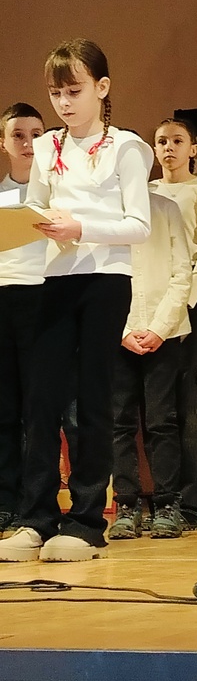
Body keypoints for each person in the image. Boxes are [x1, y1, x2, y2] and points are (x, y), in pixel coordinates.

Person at [0, 39, 153, 562]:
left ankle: (86, 519)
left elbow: (139, 225)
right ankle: (35, 517)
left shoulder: (126, 147)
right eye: (56, 93)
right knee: (41, 399)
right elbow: (38, 206)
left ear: (102, 88)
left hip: (105, 278)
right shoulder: (47, 147)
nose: (64, 103)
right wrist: (34, 222)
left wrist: (80, 226)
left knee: (92, 398)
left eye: (74, 91)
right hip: (55, 276)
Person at [150, 119, 197, 531]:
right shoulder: (146, 193)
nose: (169, 148)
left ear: (193, 148)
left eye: (177, 141)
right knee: (159, 405)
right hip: (155, 302)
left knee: (196, 401)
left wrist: (186, 300)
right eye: (162, 141)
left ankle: (192, 503)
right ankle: (163, 500)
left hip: (194, 301)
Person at [109, 190, 193, 540]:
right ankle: (126, 503)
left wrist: (159, 328)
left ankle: (167, 504)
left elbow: (182, 273)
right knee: (120, 421)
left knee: (162, 421)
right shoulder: (106, 211)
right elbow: (102, 277)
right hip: (119, 331)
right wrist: (123, 330)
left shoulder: (166, 208)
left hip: (164, 332)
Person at [0, 103, 46, 533]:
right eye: (18, 134)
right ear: (4, 142)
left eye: (36, 134)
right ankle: (6, 501)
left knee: (41, 411)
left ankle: (38, 504)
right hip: (4, 301)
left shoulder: (56, 194)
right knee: (5, 409)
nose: (28, 143)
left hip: (44, 300)